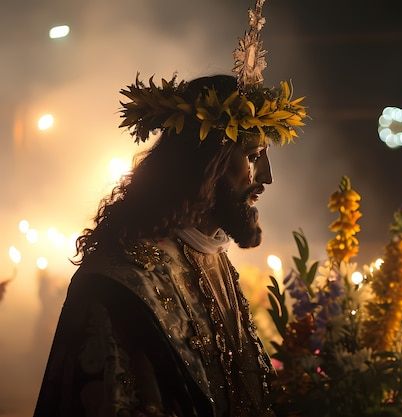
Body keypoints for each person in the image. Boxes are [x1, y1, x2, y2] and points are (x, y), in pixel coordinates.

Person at [33, 1, 307, 416]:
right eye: (252, 157)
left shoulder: (214, 260)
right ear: (206, 163)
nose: (265, 178)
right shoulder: (120, 282)